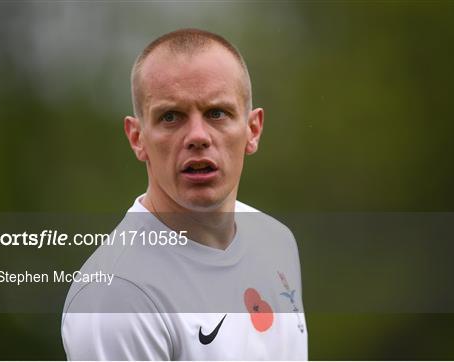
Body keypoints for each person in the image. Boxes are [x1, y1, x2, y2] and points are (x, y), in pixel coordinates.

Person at [61, 28, 307, 360]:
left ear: (253, 130)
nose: (197, 136)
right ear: (137, 138)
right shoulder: (117, 296)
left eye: (216, 113)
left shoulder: (276, 241)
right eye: (171, 117)